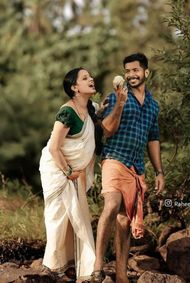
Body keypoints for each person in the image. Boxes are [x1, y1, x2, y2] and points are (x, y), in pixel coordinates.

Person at [91, 53, 165, 283]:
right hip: (114, 158)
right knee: (112, 205)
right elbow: (107, 131)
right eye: (128, 71)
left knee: (124, 220)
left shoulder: (153, 106)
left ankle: (122, 275)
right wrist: (120, 103)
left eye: (135, 70)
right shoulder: (116, 97)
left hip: (136, 167)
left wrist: (159, 172)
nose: (131, 74)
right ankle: (97, 266)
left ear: (146, 72)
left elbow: (153, 139)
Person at [39, 67, 98, 282]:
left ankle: (74, 266)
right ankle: (52, 267)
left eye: (90, 76)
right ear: (74, 87)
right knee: (58, 217)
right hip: (57, 169)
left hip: (73, 172)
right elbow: (54, 147)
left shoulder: (91, 109)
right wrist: (68, 171)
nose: (91, 79)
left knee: (77, 217)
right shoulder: (67, 112)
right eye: (85, 78)